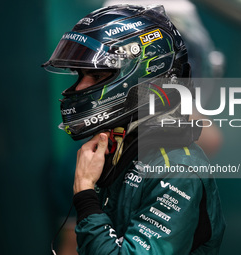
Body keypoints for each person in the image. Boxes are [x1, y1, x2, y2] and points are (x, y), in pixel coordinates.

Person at [43, 4, 225, 254]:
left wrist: (85, 194)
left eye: (96, 76)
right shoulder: (100, 154)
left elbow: (210, 139)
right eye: (81, 75)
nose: (78, 88)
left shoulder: (177, 169)